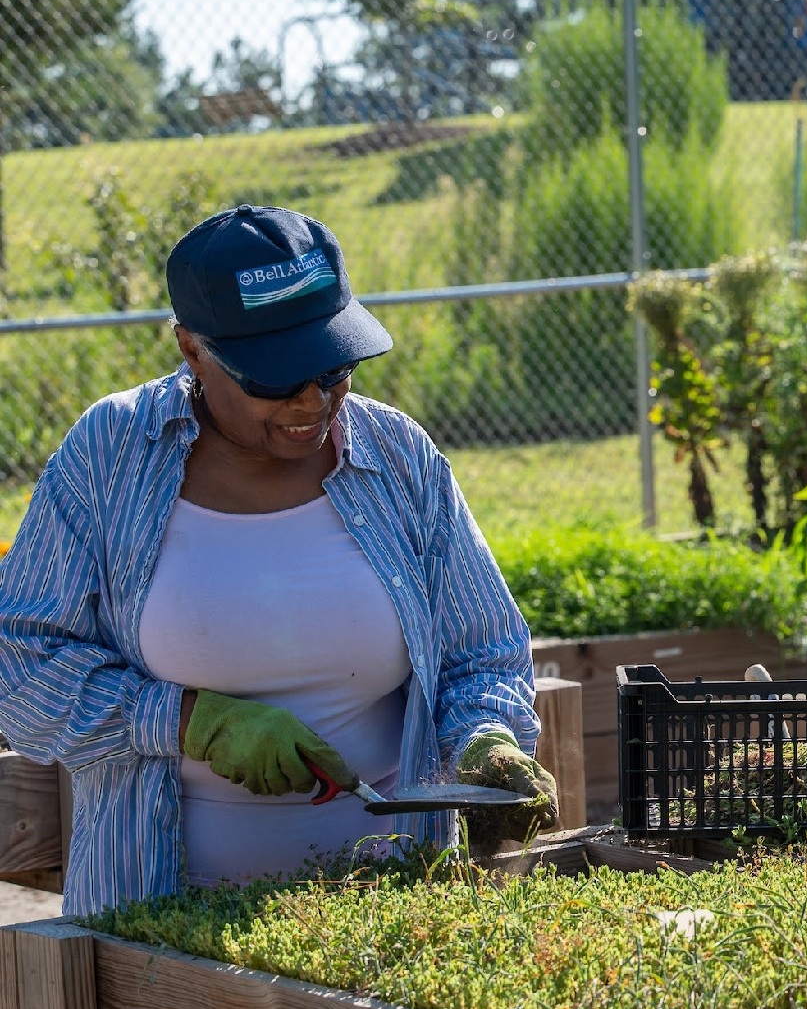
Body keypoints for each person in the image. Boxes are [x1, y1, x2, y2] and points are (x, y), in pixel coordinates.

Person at [0, 205, 558, 915]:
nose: (313, 401)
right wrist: (189, 722)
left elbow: (482, 648)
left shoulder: (395, 454)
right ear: (192, 349)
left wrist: (487, 737)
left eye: (334, 368)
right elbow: (19, 665)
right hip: (160, 907)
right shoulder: (110, 456)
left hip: (396, 899)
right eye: (275, 380)